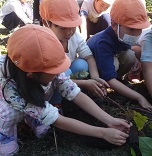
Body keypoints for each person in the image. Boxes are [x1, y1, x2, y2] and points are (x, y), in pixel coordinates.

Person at [0, 24, 130, 156]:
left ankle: (34, 116)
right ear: (32, 75)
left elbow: (74, 93)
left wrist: (109, 120)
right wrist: (102, 133)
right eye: (54, 71)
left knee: (44, 91)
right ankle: (5, 133)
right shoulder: (11, 90)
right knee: (10, 114)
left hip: (29, 91)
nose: (60, 72)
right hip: (5, 103)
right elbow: (58, 121)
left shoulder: (42, 66)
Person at [87, 0, 152, 112]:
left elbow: (127, 50)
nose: (136, 34)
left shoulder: (122, 34)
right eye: (132, 29)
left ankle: (118, 80)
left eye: (139, 29)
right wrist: (139, 97)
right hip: (92, 70)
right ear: (114, 25)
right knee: (115, 63)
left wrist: (137, 62)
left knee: (131, 56)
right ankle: (99, 88)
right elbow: (109, 78)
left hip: (107, 62)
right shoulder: (103, 42)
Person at [40, 0, 109, 99]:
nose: (69, 32)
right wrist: (85, 83)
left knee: (81, 64)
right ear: (46, 24)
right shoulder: (43, 43)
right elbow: (54, 79)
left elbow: (89, 57)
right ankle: (57, 102)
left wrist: (95, 78)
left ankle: (76, 93)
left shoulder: (75, 36)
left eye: (73, 27)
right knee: (65, 72)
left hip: (68, 78)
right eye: (62, 28)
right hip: (52, 83)